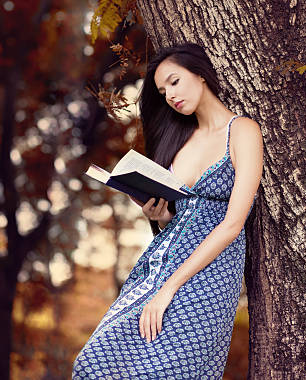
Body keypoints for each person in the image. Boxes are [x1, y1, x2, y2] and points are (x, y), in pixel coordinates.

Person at [72, 42, 263, 379]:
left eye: (174, 82)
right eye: (162, 91)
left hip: (207, 277)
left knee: (168, 371)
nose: (170, 95)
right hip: (160, 266)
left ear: (200, 73)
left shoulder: (242, 131)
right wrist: (160, 218)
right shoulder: (180, 139)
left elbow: (233, 224)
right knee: (93, 363)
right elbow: (183, 220)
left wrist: (170, 288)